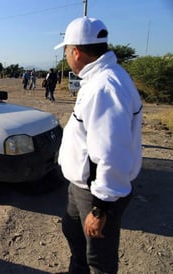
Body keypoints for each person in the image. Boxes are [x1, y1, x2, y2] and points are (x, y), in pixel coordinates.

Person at [55, 17, 142, 273]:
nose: (66, 57)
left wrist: (100, 207)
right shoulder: (101, 78)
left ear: (76, 51)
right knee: (73, 231)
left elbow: (111, 153)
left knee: (99, 260)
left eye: (65, 51)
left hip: (95, 192)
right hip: (80, 185)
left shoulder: (104, 88)